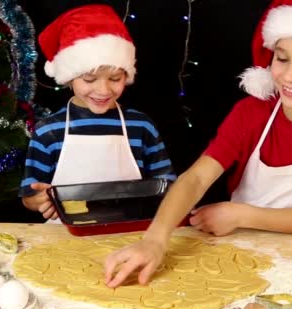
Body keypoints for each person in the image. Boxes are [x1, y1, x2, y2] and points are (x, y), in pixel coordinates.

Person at [104, 0, 292, 287]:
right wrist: (155, 239)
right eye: (282, 58)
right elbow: (198, 178)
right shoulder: (252, 112)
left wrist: (238, 214)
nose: (289, 76)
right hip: (236, 247)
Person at [19, 3, 176, 221]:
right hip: (66, 237)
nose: (103, 90)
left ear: (127, 76)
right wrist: (39, 200)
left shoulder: (141, 126)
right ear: (69, 78)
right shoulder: (48, 131)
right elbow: (29, 195)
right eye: (89, 79)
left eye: (115, 79)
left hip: (130, 235)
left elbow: (168, 184)